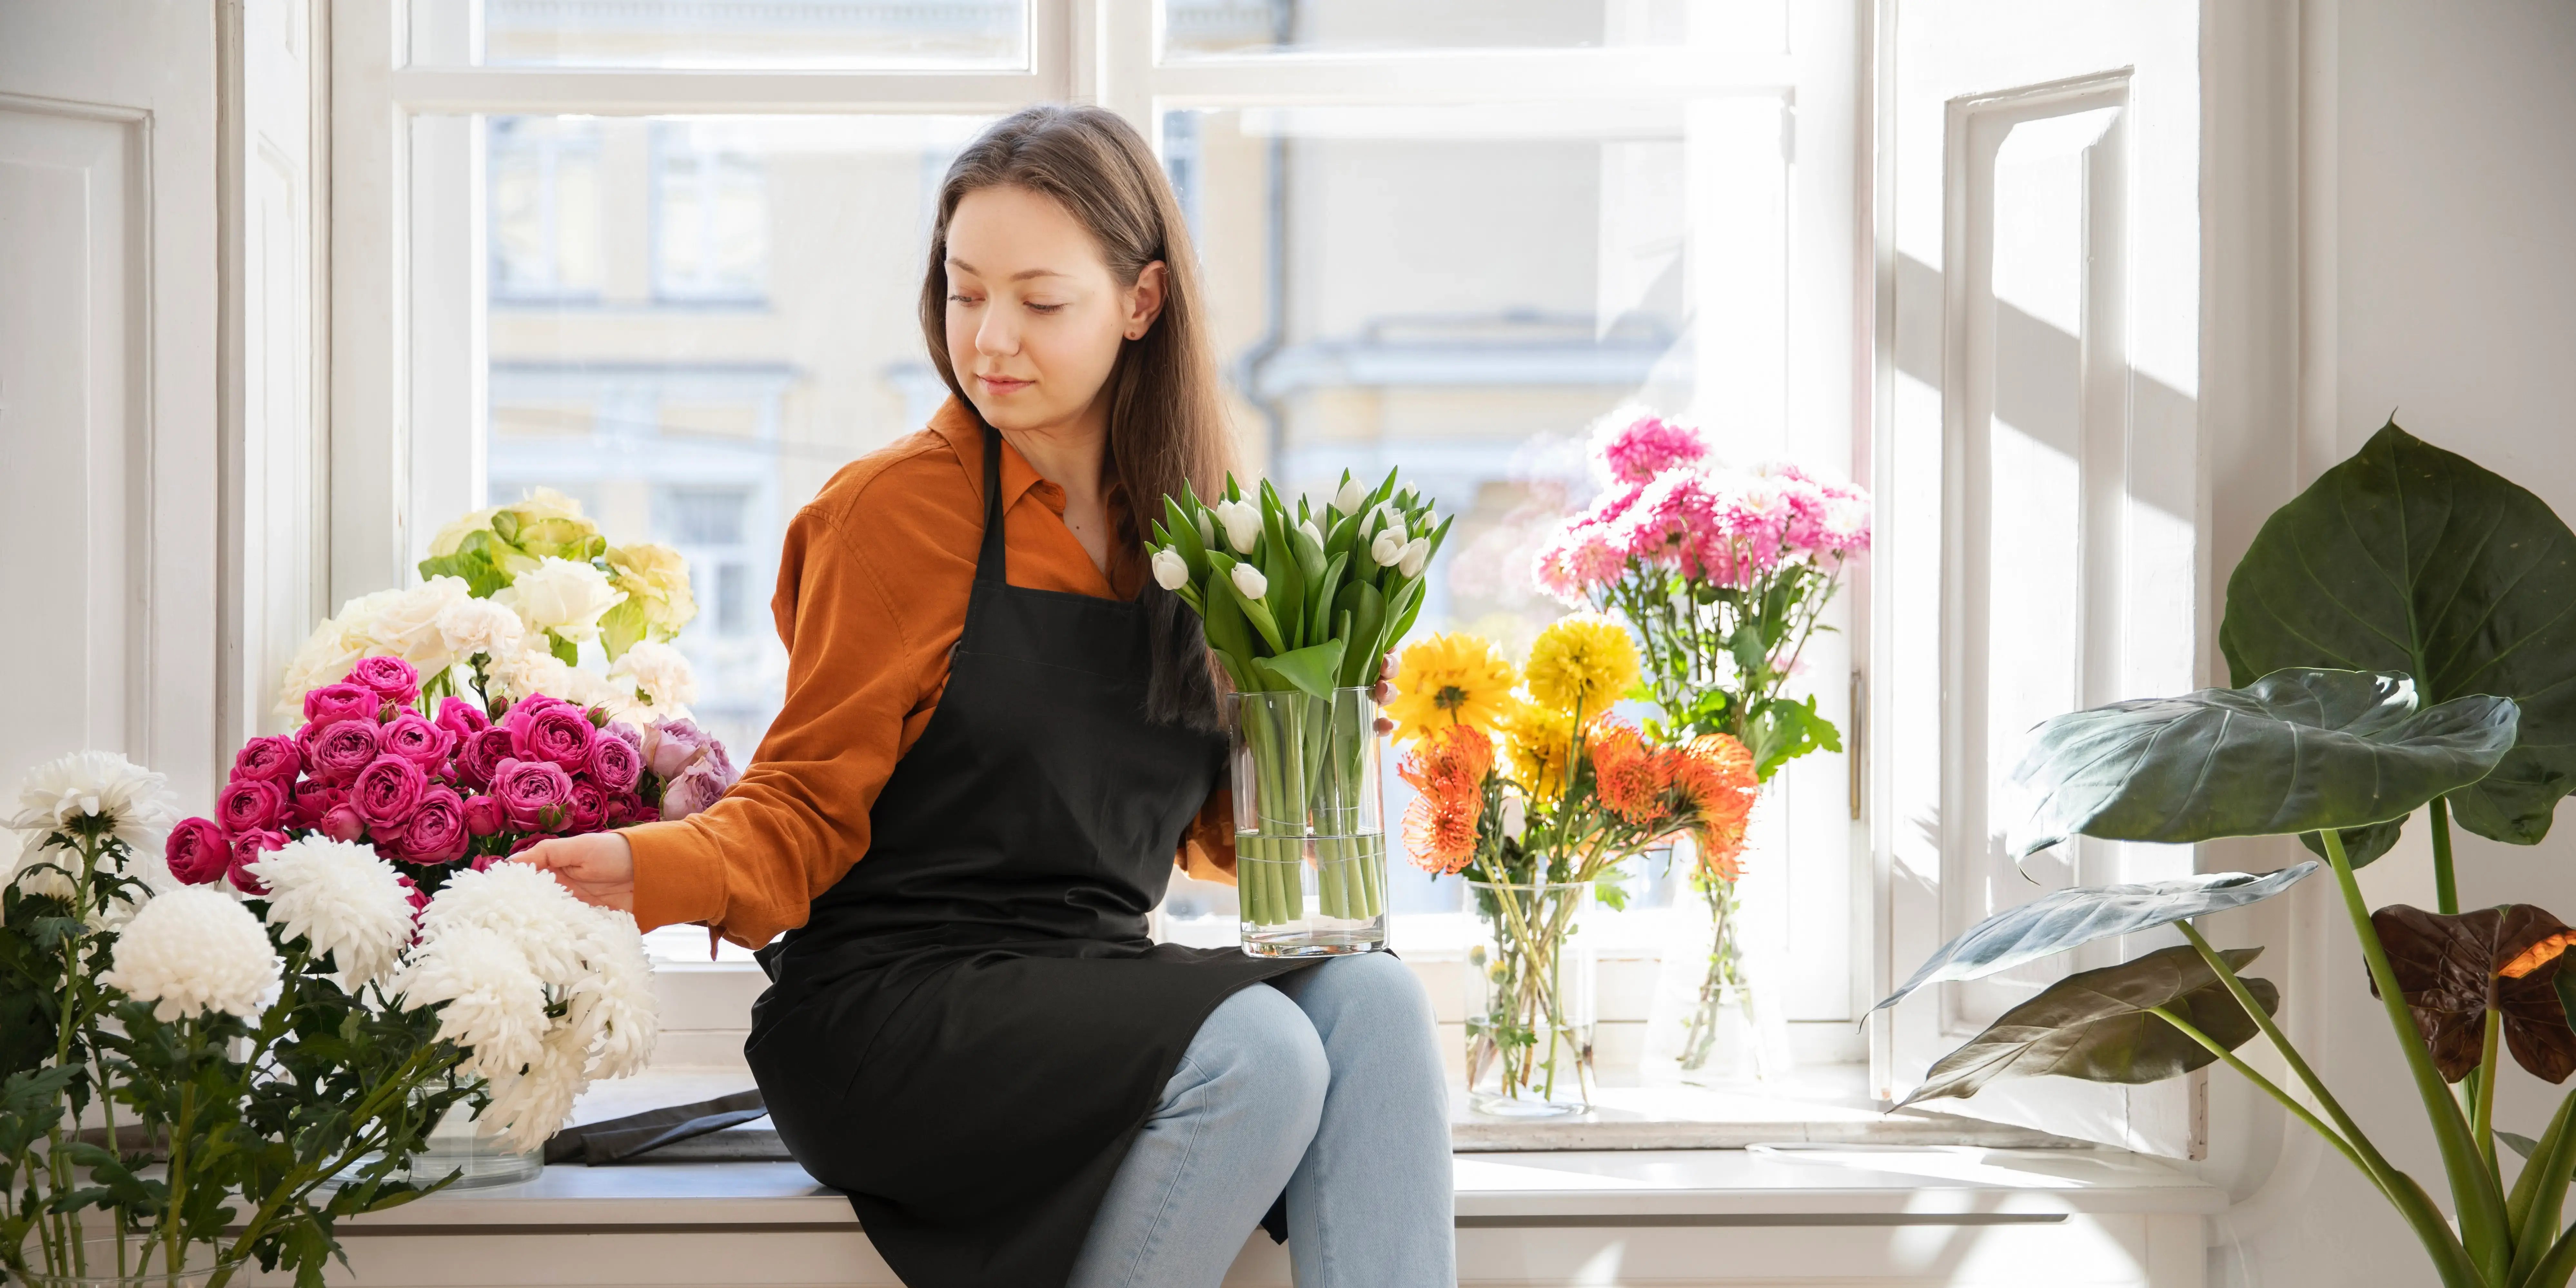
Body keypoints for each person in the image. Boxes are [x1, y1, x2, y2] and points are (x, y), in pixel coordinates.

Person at [513, 104, 1456, 1288]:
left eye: (1039, 301)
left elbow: (1205, 840)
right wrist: (647, 868)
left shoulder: (1205, 533)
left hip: (1091, 990)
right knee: (1261, 1042)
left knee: (1372, 999)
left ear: (1142, 303)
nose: (990, 338)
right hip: (891, 1012)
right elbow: (802, 807)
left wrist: (1308, 741)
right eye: (965, 293)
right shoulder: (891, 515)